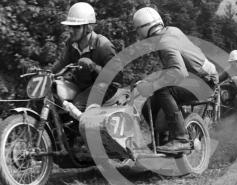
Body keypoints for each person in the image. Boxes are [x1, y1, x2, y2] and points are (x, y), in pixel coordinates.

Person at [133, 7, 218, 153]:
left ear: (141, 30)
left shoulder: (165, 43)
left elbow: (179, 72)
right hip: (200, 78)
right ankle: (162, 140)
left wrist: (152, 86)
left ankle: (180, 139)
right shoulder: (171, 30)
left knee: (160, 91)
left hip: (204, 81)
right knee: (151, 98)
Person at [52, 2, 117, 110]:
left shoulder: (103, 46)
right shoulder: (71, 44)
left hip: (105, 86)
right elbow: (62, 63)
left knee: (78, 105)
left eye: (76, 27)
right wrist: (46, 73)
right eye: (70, 26)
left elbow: (115, 77)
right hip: (84, 85)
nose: (71, 31)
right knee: (55, 96)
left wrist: (94, 66)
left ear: (88, 28)